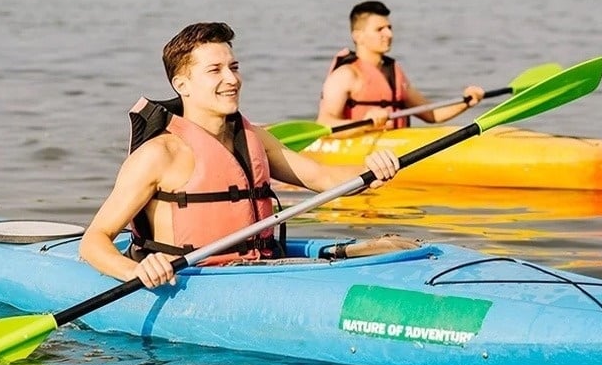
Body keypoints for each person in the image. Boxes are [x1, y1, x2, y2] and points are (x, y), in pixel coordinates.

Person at [80, 22, 400, 289]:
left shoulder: (253, 138)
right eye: (215, 70)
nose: (232, 79)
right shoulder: (160, 154)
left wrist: (370, 171)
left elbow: (323, 178)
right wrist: (136, 271)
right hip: (191, 281)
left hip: (256, 271)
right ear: (182, 85)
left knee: (394, 247)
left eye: (233, 67)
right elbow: (94, 241)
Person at [317, 0, 486, 133]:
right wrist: (364, 124)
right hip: (358, 151)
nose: (389, 34)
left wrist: (466, 102)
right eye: (380, 29)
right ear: (358, 36)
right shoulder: (345, 75)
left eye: (389, 28)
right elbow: (324, 124)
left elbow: (432, 114)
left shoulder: (394, 73)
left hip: (392, 149)